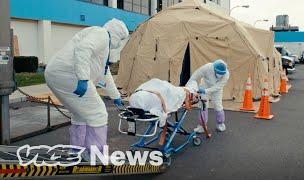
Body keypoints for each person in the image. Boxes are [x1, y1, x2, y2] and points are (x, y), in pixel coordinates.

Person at [44, 18, 129, 157]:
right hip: (69, 74)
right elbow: (83, 48)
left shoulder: (103, 44)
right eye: (121, 39)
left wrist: (116, 96)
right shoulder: (102, 34)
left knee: (81, 114)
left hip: (58, 74)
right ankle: (96, 155)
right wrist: (83, 78)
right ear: (115, 34)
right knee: (98, 113)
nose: (120, 43)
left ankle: (77, 151)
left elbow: (104, 73)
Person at [129, 78, 194, 127]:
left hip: (137, 96)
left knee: (168, 88)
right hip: (150, 95)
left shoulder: (185, 91)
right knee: (169, 89)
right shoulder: (183, 91)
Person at [186, 59, 230, 132]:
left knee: (217, 105)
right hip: (205, 85)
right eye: (218, 73)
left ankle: (220, 124)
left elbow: (218, 86)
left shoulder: (226, 74)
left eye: (221, 73)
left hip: (217, 89)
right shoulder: (207, 67)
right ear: (214, 69)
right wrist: (188, 87)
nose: (219, 75)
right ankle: (202, 126)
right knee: (203, 105)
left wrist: (206, 91)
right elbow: (195, 76)